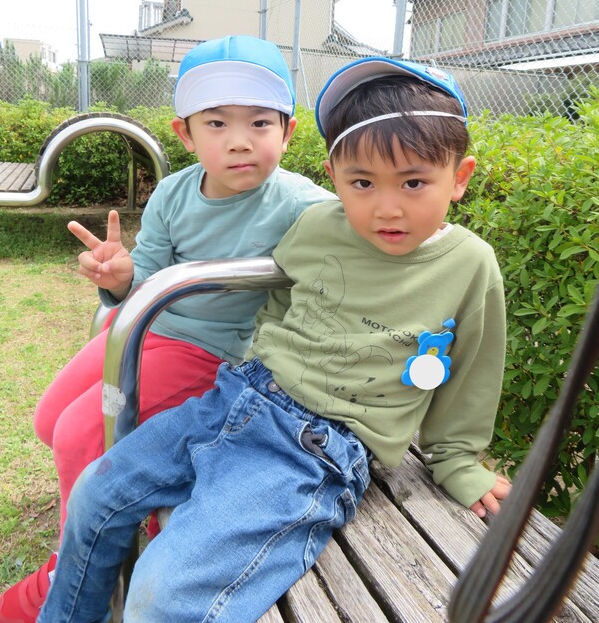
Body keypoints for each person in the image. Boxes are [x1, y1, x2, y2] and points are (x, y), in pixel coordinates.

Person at [37, 56, 510, 623]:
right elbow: (281, 303)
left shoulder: (469, 265)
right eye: (362, 183)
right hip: (237, 397)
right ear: (335, 177)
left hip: (317, 449)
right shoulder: (317, 227)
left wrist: (456, 461)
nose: (387, 207)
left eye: (414, 182)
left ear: (459, 177)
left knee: (163, 596)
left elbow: (474, 368)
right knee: (96, 493)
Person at [0, 34, 335, 623]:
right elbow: (145, 276)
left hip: (214, 353)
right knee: (49, 420)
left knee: (79, 434)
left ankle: (73, 575)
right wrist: (121, 275)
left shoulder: (302, 205)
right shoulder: (175, 193)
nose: (239, 140)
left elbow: (355, 241)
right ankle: (133, 501)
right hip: (146, 329)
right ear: (186, 134)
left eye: (260, 122)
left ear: (287, 133)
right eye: (217, 123)